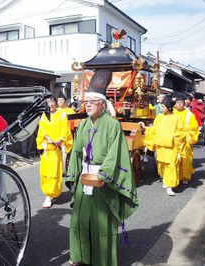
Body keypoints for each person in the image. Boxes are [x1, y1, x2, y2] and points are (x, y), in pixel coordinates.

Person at [66, 69, 138, 266]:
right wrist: (74, 173)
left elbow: (115, 154)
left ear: (103, 104)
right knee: (79, 220)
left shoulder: (112, 125)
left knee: (101, 223)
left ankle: (102, 260)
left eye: (92, 102)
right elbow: (76, 151)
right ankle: (80, 255)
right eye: (86, 102)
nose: (87, 105)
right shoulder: (83, 124)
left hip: (102, 178)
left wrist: (103, 176)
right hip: (84, 176)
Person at [142, 96, 186, 196]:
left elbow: (181, 133)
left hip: (171, 146)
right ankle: (166, 181)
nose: (161, 109)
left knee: (171, 165)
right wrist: (146, 128)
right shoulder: (159, 117)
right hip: (160, 146)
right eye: (161, 107)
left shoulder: (176, 118)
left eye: (163, 107)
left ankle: (170, 186)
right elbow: (154, 129)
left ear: (169, 108)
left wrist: (171, 137)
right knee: (161, 165)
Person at [36, 97, 73, 208]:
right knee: (45, 173)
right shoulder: (44, 115)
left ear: (56, 103)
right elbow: (41, 131)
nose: (50, 104)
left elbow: (65, 130)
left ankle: (50, 195)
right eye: (48, 102)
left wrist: (59, 140)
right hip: (46, 147)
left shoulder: (61, 114)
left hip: (56, 148)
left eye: (52, 102)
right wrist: (47, 138)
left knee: (54, 173)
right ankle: (50, 192)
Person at [173, 96, 199, 184]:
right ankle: (174, 176)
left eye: (181, 102)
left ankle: (185, 176)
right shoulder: (171, 113)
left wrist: (185, 131)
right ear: (175, 104)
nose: (179, 104)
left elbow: (194, 127)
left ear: (184, 104)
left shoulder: (189, 114)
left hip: (185, 140)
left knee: (185, 159)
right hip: (174, 139)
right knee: (174, 159)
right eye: (178, 102)